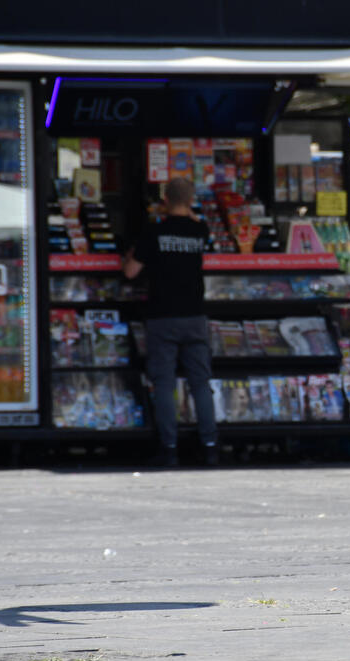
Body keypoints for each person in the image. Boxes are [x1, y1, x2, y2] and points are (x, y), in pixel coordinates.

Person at [123, 177, 218, 466]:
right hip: (195, 315)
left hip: (163, 316)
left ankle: (169, 448)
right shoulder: (200, 230)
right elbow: (198, 222)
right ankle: (211, 446)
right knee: (201, 382)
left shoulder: (154, 232)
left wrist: (130, 252)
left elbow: (130, 272)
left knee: (164, 383)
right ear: (191, 201)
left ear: (163, 200)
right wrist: (189, 211)